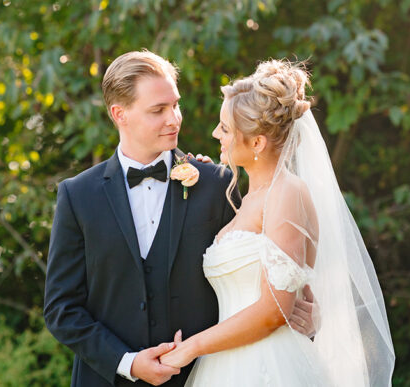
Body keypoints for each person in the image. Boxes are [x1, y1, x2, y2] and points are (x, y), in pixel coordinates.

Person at [44, 50, 316, 387]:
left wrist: (302, 309)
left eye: (175, 105)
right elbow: (61, 309)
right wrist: (126, 362)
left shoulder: (218, 183)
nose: (173, 119)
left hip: (206, 376)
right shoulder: (78, 195)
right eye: (158, 110)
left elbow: (266, 275)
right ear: (119, 114)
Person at [157, 60, 395, 386]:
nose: (215, 134)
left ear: (257, 143)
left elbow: (273, 311)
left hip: (269, 367)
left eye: (225, 128)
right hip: (227, 365)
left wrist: (192, 347)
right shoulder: (247, 199)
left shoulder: (288, 193)